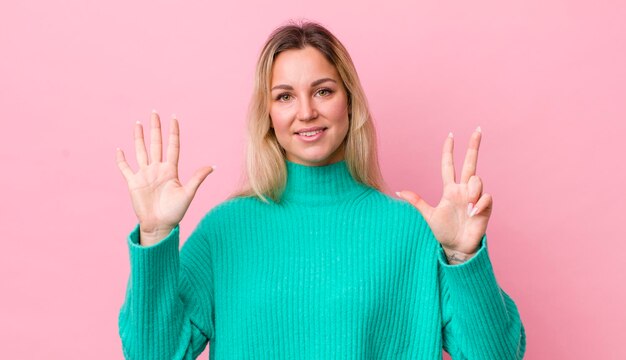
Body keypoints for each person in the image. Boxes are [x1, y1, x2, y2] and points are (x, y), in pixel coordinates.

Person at [116, 20, 526, 359]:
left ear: (349, 102)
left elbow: (498, 354)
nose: (306, 111)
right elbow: (153, 354)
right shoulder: (225, 232)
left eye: (323, 91)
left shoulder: (411, 231)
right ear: (269, 115)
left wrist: (462, 257)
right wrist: (154, 236)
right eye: (285, 96)